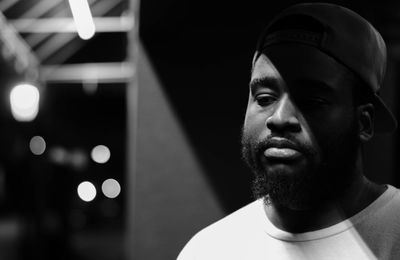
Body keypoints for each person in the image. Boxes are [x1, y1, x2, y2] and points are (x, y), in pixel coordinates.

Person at [177, 3, 400, 260]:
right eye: (264, 98)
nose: (279, 118)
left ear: (364, 122)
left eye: (312, 102)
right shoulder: (209, 250)